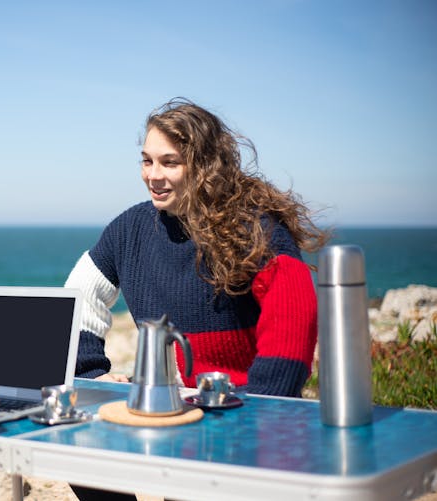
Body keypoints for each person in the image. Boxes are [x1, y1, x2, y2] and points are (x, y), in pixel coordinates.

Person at [65, 98, 328, 500]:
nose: (153, 175)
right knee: (78, 451)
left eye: (169, 162)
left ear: (205, 165)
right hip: (166, 411)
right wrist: (91, 374)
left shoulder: (255, 228)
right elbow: (81, 295)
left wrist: (257, 415)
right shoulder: (130, 230)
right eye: (147, 161)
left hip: (236, 418)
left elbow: (293, 321)